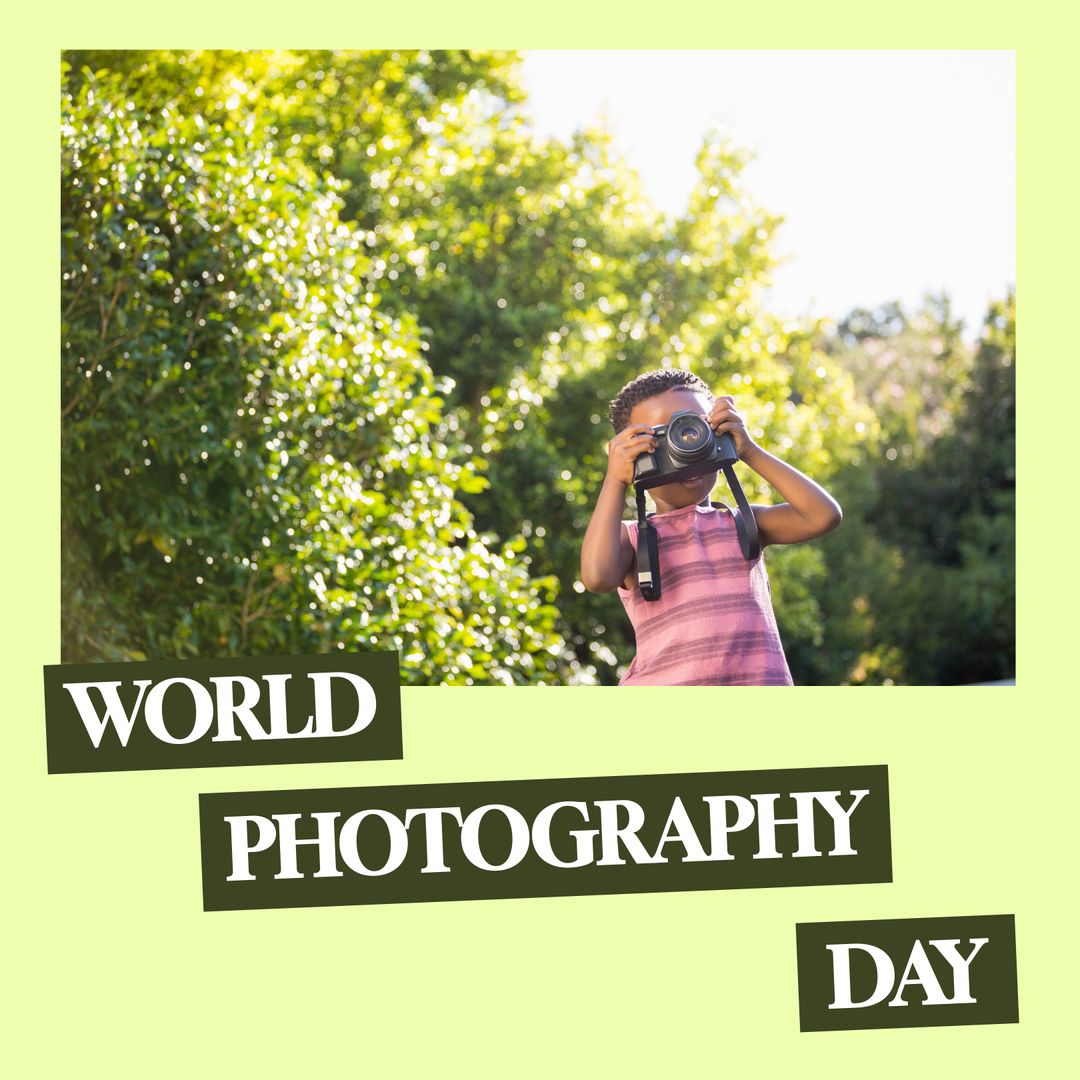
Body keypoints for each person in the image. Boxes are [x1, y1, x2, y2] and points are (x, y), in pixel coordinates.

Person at [580, 369, 842, 685]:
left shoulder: (744, 524)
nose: (684, 447)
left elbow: (823, 516)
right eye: (661, 437)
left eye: (693, 430)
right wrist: (615, 478)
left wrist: (748, 450)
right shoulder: (633, 538)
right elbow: (597, 577)